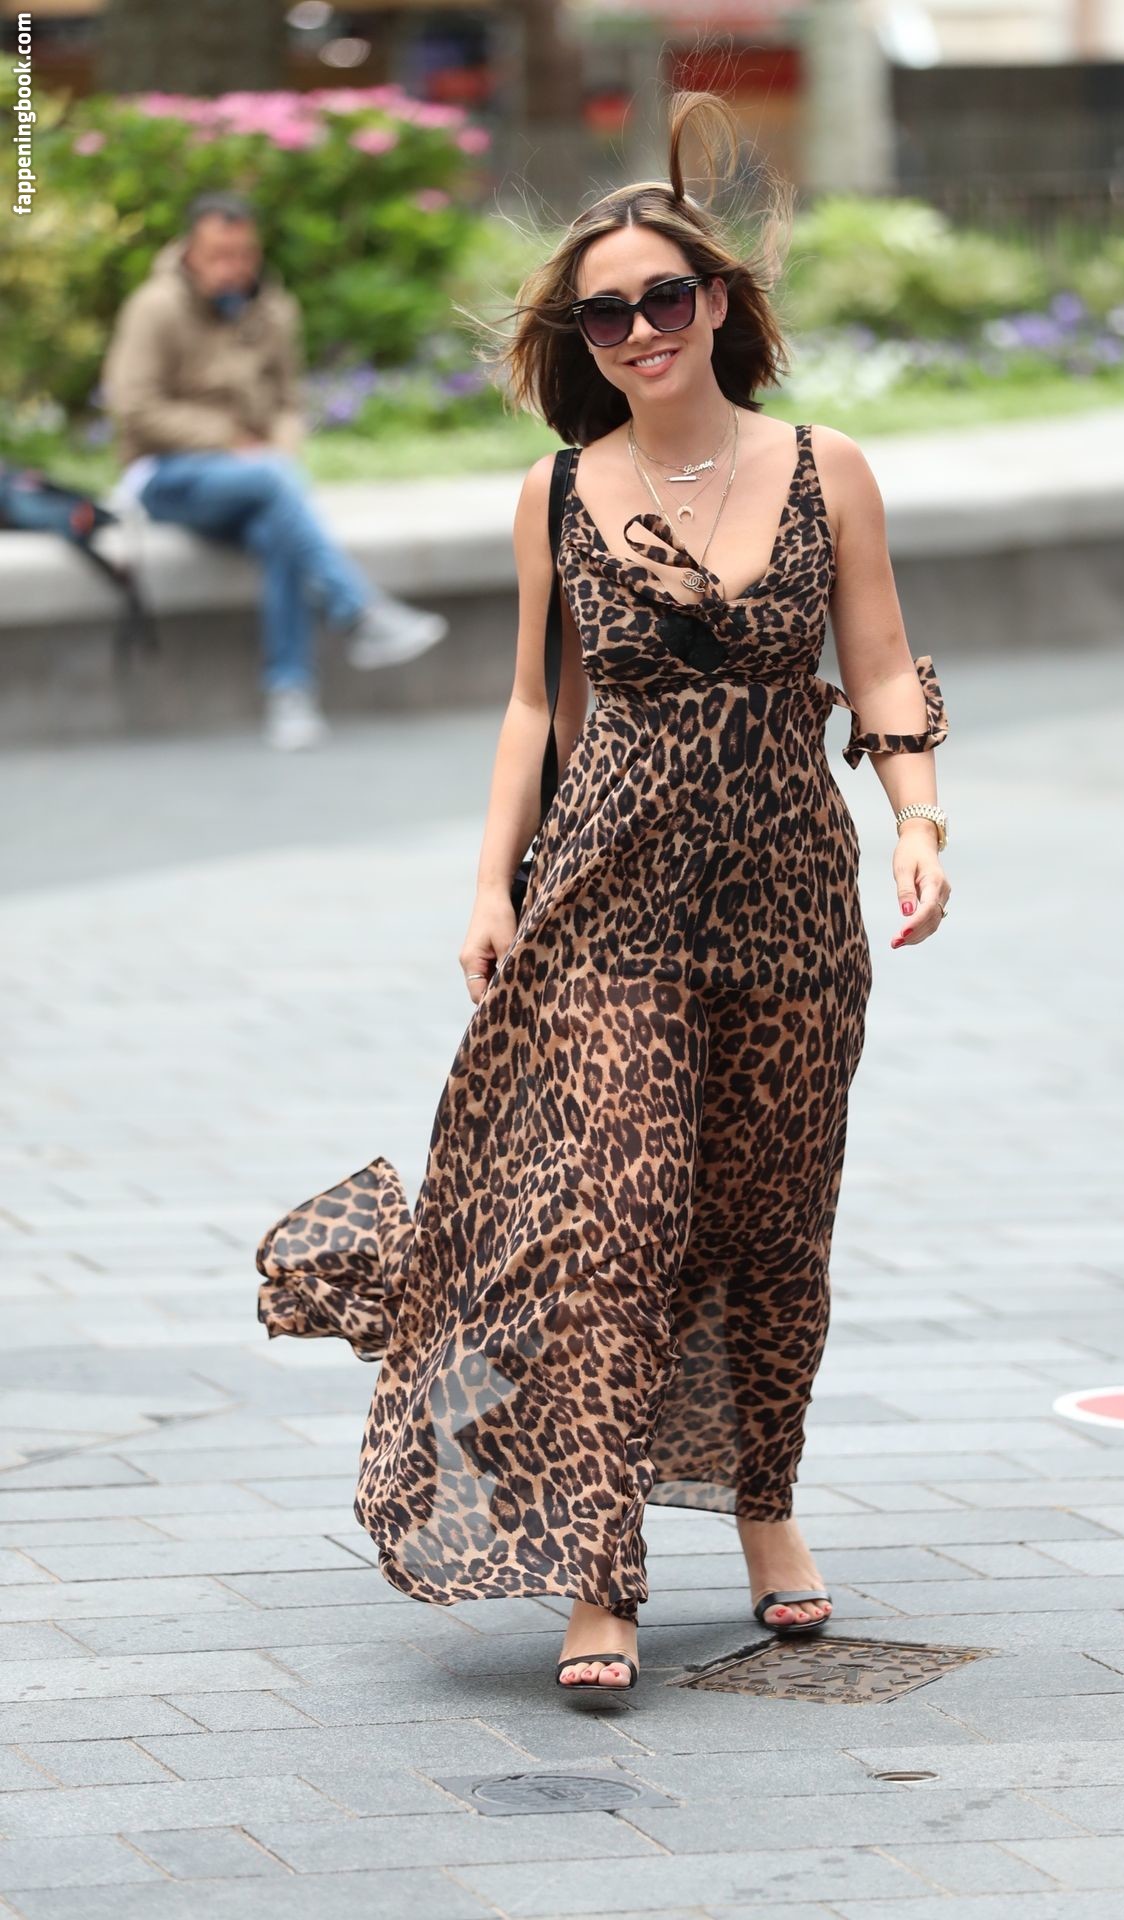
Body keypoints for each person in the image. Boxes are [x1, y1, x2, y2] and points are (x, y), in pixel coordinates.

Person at [255, 91, 951, 1709]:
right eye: (606, 314)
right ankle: (598, 1562)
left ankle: (767, 1509)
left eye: (664, 297)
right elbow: (533, 706)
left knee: (773, 1225)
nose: (639, 330)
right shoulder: (557, 493)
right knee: (612, 1227)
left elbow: (879, 663)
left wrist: (918, 817)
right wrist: (491, 884)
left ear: (718, 301)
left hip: (790, 900)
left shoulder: (826, 468)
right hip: (609, 901)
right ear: (580, 338)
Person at [101, 190, 449, 751]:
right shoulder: (155, 307)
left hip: (256, 476)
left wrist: (279, 448)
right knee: (272, 484)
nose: (233, 267)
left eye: (244, 254)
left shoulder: (275, 309)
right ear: (190, 252)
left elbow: (289, 401)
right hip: (165, 475)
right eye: (219, 255)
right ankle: (358, 611)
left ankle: (291, 695)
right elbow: (135, 406)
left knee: (277, 529)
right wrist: (228, 441)